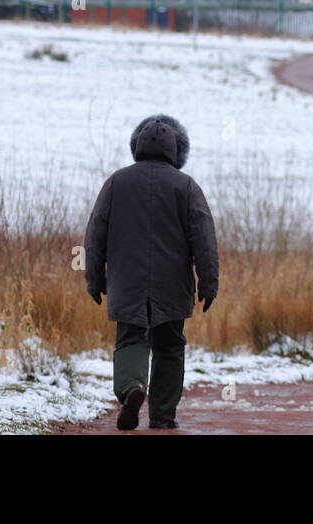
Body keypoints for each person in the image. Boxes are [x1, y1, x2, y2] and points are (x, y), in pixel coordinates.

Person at [83, 114, 219, 431]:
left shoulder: (116, 182)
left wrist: (94, 278)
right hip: (173, 284)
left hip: (126, 282)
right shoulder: (186, 186)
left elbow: (95, 235)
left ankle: (132, 388)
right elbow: (205, 241)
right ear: (176, 151)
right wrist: (208, 285)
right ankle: (162, 415)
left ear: (137, 147)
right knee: (170, 346)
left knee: (130, 340)